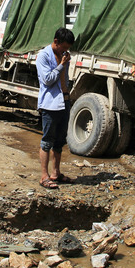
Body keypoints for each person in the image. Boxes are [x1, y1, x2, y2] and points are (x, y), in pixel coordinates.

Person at [36, 27, 76, 189]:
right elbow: (47, 79)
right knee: (47, 141)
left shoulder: (62, 56)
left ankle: (56, 173)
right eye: (64, 47)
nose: (66, 51)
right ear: (56, 42)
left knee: (60, 141)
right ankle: (44, 176)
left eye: (68, 48)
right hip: (50, 104)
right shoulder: (44, 56)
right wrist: (61, 65)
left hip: (63, 101)